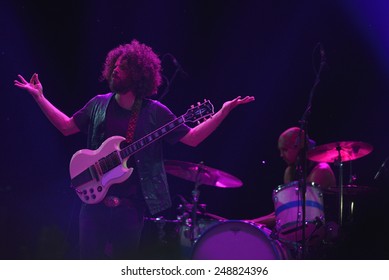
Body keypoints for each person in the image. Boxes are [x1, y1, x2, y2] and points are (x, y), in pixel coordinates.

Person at [14, 39, 255, 259]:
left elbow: (192, 139)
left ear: (138, 75)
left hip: (129, 209)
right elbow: (67, 127)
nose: (116, 69)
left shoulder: (155, 112)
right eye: (115, 65)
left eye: (124, 67)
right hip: (93, 204)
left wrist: (222, 112)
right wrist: (39, 97)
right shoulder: (98, 104)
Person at [250, 127, 336, 249]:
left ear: (299, 147)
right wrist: (252, 222)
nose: (281, 155)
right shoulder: (290, 171)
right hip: (301, 233)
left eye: (284, 150)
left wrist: (253, 223)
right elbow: (283, 212)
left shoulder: (321, 170)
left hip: (322, 237)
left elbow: (297, 213)